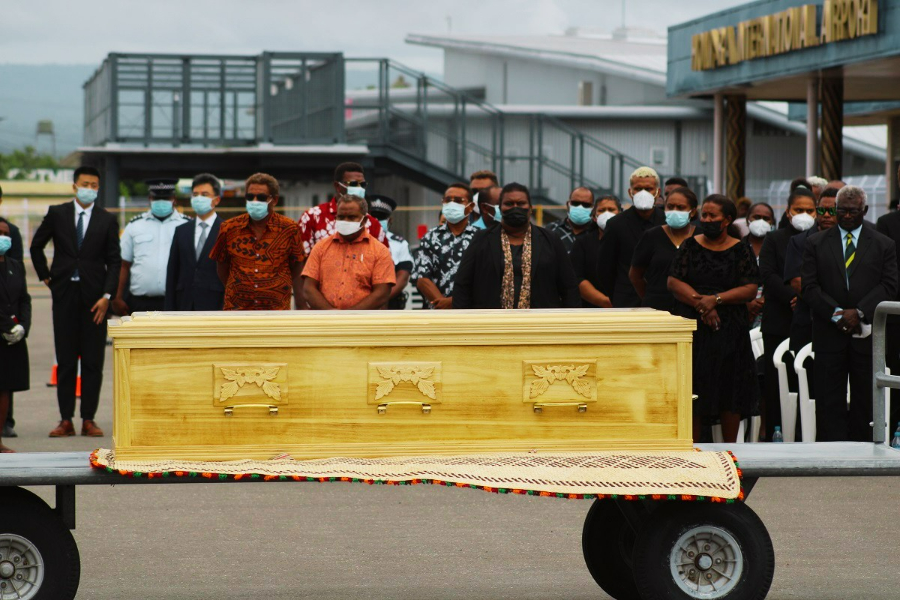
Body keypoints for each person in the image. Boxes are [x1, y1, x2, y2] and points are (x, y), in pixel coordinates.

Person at [31, 166, 121, 438]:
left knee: (93, 362)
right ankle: (65, 419)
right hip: (65, 296)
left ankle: (88, 419)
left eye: (94, 185)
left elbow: (114, 261)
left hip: (95, 301)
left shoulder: (106, 220)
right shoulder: (57, 213)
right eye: (85, 184)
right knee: (67, 361)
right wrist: (47, 278)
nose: (90, 189)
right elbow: (36, 246)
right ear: (74, 186)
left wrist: (107, 297)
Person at [802, 186, 898, 441]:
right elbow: (810, 288)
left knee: (865, 400)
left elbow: (889, 285)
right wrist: (837, 315)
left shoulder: (883, 244)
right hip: (828, 334)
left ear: (864, 210)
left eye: (852, 211)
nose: (846, 216)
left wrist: (859, 313)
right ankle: (829, 455)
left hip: (867, 337)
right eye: (841, 210)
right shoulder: (816, 243)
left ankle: (864, 453)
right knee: (828, 399)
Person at [667, 195, 760, 443]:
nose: (706, 220)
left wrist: (716, 299)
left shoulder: (741, 248)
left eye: (712, 216)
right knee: (694, 388)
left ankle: (732, 451)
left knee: (730, 389)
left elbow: (750, 288)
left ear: (727, 220)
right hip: (693, 327)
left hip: (730, 330)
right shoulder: (690, 245)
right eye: (704, 215)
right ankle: (694, 449)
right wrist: (703, 304)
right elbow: (674, 282)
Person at [453, 182, 580, 309]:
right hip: (491, 323)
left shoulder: (551, 239)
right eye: (509, 204)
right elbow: (462, 284)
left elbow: (569, 286)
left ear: (530, 208)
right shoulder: (482, 239)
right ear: (500, 208)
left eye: (521, 203)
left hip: (541, 322)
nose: (515, 207)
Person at [758, 187, 817, 439]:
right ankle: (775, 431)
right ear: (788, 211)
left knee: (806, 379)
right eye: (798, 210)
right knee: (775, 381)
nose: (804, 215)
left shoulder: (821, 239)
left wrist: (805, 299)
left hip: (809, 319)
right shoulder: (775, 239)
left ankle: (806, 433)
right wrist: (792, 297)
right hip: (779, 319)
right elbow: (768, 274)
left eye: (809, 210)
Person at [211, 173, 305, 310]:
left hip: (276, 312)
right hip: (238, 310)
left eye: (261, 197)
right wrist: (241, 289)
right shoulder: (229, 228)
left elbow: (297, 267)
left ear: (275, 200)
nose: (254, 201)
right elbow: (221, 267)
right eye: (250, 197)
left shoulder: (289, 228)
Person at [302, 195, 396, 310]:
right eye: (341, 217)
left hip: (363, 324)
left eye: (351, 217)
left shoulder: (379, 251)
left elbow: (382, 293)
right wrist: (332, 315)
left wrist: (350, 316)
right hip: (326, 323)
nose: (345, 221)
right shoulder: (321, 248)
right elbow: (308, 289)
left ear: (364, 220)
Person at [113, 178, 188, 314]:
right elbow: (123, 264)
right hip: (140, 303)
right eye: (156, 198)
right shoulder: (135, 225)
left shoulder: (186, 226)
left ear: (174, 199)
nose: (161, 202)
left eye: (166, 198)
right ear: (149, 198)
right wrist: (117, 297)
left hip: (176, 301)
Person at [597, 166, 666, 307]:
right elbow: (605, 268)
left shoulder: (667, 221)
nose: (643, 193)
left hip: (663, 300)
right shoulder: (615, 224)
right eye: (638, 189)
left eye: (649, 189)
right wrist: (617, 297)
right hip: (626, 302)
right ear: (630, 192)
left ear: (658, 192)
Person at [784, 188, 838, 351]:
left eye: (832, 210)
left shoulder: (848, 242)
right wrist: (836, 309)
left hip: (841, 325)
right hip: (808, 322)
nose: (827, 215)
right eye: (821, 210)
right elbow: (798, 283)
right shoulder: (799, 241)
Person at [298, 162, 388, 259]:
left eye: (362, 184)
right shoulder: (312, 217)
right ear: (337, 186)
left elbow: (384, 262)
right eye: (353, 184)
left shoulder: (372, 223)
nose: (359, 188)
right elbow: (301, 260)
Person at [630, 186, 698, 313]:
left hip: (693, 308)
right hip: (656, 309)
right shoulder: (652, 236)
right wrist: (650, 298)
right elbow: (635, 275)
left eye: (681, 207)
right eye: (670, 207)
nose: (674, 211)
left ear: (692, 212)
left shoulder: (701, 237)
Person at [412, 183, 479, 309]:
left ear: (470, 207)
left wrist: (454, 303)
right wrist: (443, 305)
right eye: (448, 200)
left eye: (458, 201)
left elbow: (485, 279)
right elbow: (422, 279)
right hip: (437, 314)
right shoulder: (430, 237)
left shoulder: (480, 238)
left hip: (470, 314)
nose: (452, 204)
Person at [164, 173, 225, 311]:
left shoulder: (227, 231)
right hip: (184, 305)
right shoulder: (181, 231)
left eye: (204, 194)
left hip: (215, 306)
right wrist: (169, 310)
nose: (199, 198)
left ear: (216, 200)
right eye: (195, 194)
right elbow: (173, 272)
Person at [0, 218, 30, 452]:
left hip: (13, 339)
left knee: (6, 388)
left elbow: (24, 299)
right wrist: (7, 326)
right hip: (3, 332)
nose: (4, 237)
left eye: (6, 233)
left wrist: (23, 328)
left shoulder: (15, 265)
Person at [876, 166, 900, 432]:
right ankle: (894, 430)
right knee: (893, 375)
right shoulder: (888, 223)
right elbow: (887, 270)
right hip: (895, 315)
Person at [0, 185, 22, 439]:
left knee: (7, 375)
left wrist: (15, 321)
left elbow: (15, 281)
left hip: (8, 315)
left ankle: (6, 420)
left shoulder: (10, 231)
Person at [571, 195, 621, 308]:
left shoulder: (630, 240)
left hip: (627, 306)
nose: (607, 214)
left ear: (620, 213)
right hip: (591, 309)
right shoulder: (582, 243)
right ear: (594, 217)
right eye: (601, 210)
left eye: (611, 209)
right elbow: (577, 278)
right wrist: (605, 301)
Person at [368, 194, 414, 310]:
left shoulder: (399, 243)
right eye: (373, 216)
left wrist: (379, 299)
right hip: (359, 304)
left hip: (390, 304)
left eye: (381, 217)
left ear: (390, 220)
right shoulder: (355, 241)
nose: (377, 221)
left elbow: (403, 277)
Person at [742, 202, 776, 329]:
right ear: (747, 220)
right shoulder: (737, 247)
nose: (761, 221)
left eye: (766, 218)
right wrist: (747, 303)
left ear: (772, 223)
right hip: (742, 309)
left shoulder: (778, 248)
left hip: (769, 312)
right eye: (756, 217)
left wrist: (762, 301)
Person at [546, 187, 595, 253]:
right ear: (568, 204)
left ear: (593, 208)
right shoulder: (552, 229)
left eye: (586, 205)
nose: (580, 207)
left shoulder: (597, 231)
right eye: (575, 203)